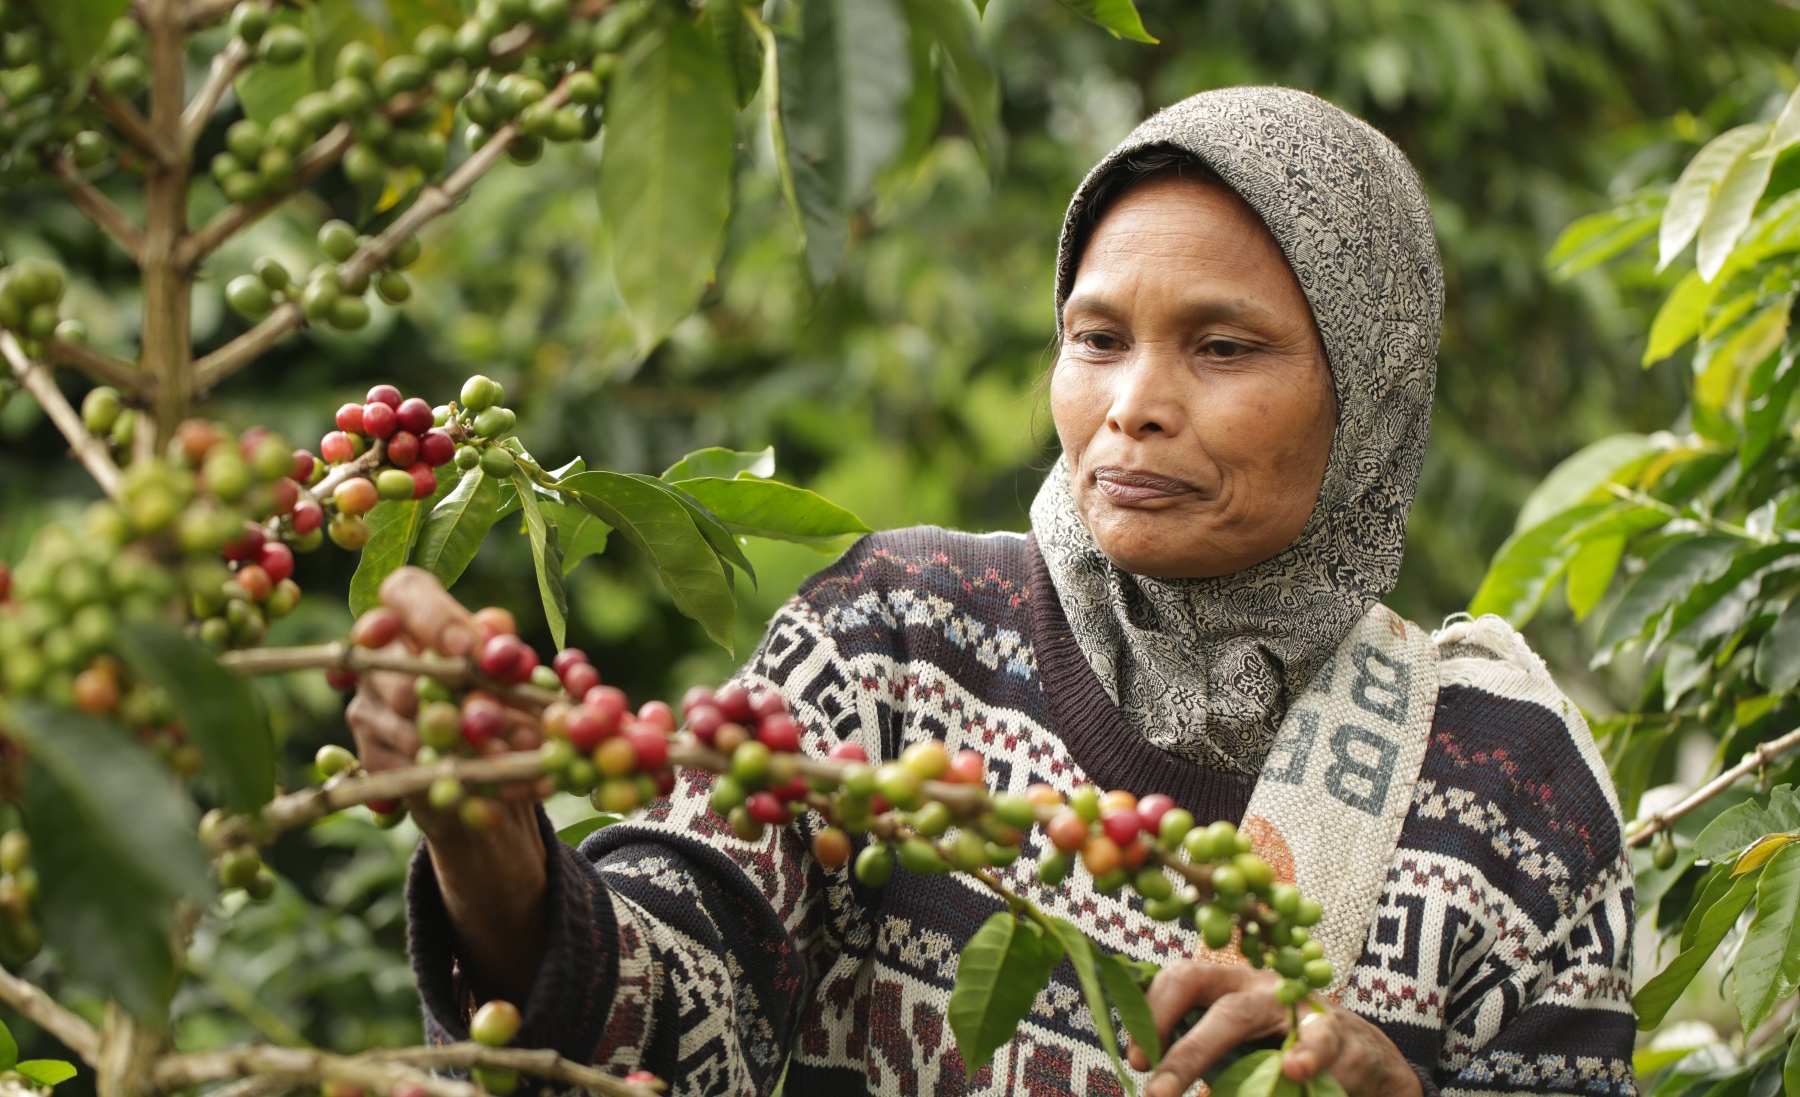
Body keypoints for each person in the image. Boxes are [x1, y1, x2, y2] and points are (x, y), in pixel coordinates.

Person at [350, 87, 1636, 1097]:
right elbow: (682, 1004)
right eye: (1096, 339)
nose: (1132, 404)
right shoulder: (898, 638)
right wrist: (494, 853)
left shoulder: (1509, 785)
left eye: (1225, 347)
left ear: (1370, 395)